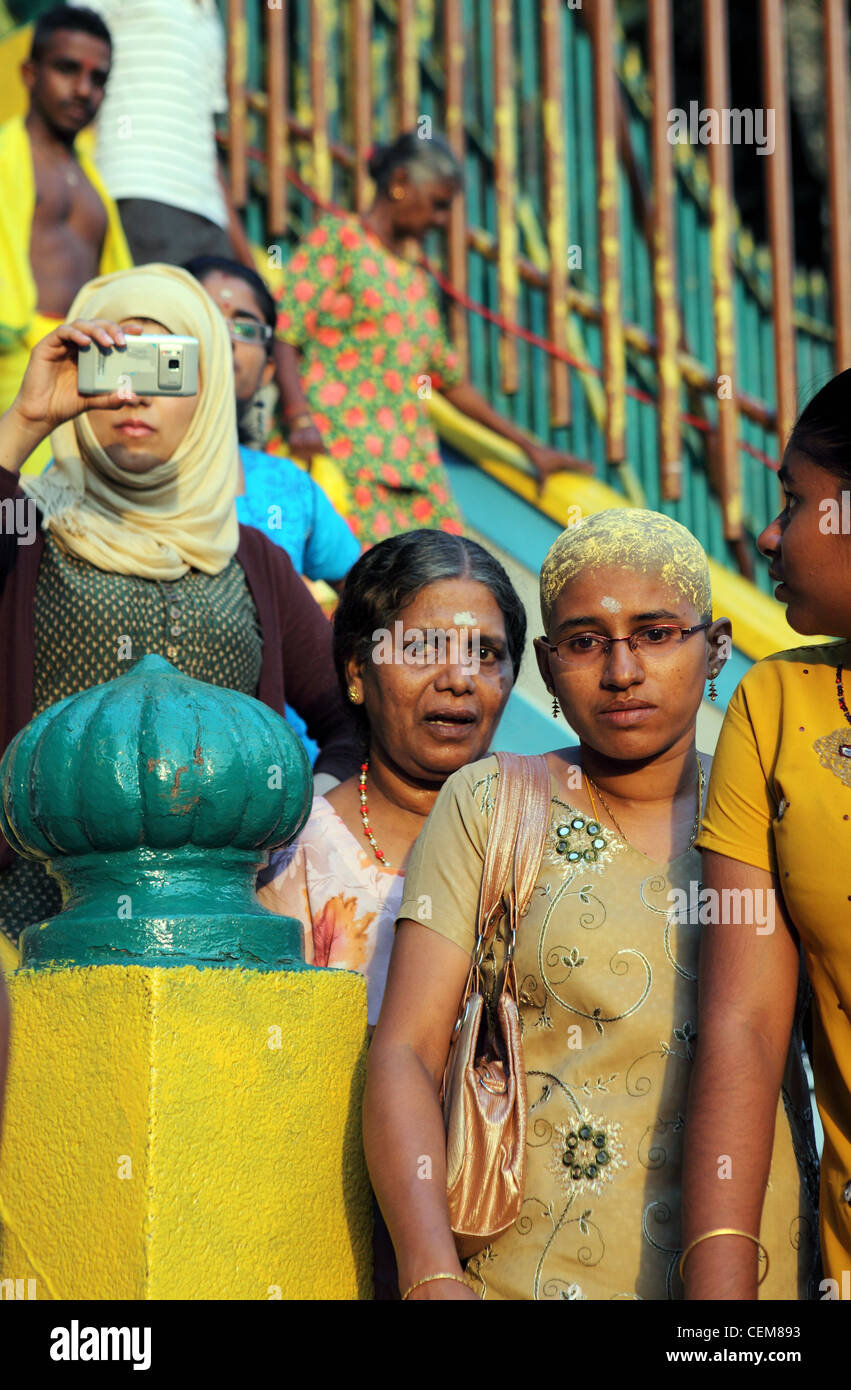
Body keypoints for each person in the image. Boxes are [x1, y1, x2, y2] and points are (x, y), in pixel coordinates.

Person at [363, 509, 819, 1300]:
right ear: (545, 662)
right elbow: (405, 1052)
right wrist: (429, 1270)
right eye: (583, 641)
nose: (620, 671)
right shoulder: (489, 804)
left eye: (654, 633)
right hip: (525, 1279)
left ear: (714, 648)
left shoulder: (778, 817)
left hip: (751, 1288)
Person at [0, 263, 360, 954]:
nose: (133, 392)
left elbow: (349, 715)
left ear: (210, 387)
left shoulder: (251, 559)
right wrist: (27, 421)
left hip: (217, 941)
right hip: (25, 929)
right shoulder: (28, 529)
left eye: (165, 363)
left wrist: (287, 820)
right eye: (111, 361)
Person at [683, 372, 851, 1298]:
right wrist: (720, 1323)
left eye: (795, 500)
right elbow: (743, 1029)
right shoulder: (774, 705)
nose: (771, 533)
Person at [257, 528, 525, 1029]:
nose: (459, 678)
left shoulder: (543, 832)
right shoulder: (296, 856)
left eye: (486, 653)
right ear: (358, 671)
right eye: (423, 648)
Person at [271, 131, 592, 546]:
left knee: (449, 576)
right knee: (362, 586)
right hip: (342, 452)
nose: (441, 220)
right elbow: (285, 332)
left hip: (413, 468)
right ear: (400, 181)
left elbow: (450, 381)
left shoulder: (415, 278)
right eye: (439, 204)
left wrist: (528, 447)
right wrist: (299, 417)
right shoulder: (340, 240)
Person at [0, 4, 131, 474]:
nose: (83, 89)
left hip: (89, 374)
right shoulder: (5, 157)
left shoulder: (95, 182)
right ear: (29, 73)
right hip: (16, 366)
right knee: (11, 518)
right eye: (67, 69)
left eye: (98, 78)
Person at [184, 254, 360, 587]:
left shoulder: (291, 487)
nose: (224, 337)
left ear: (267, 370)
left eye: (245, 327)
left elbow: (367, 600)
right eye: (204, 317)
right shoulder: (111, 462)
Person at [71, 0, 253, 268]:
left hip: (208, 213)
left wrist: (247, 259)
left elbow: (204, 140)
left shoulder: (209, 18)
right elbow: (72, 53)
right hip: (141, 188)